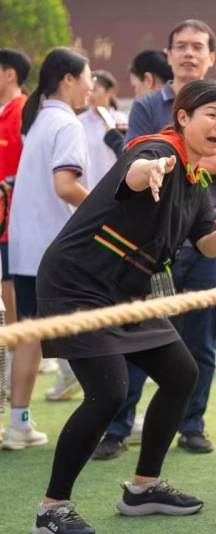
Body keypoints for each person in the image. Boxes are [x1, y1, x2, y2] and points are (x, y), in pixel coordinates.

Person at [32, 79, 216, 534]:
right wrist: (150, 172)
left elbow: (202, 244)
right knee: (108, 392)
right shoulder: (155, 149)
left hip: (132, 290)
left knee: (181, 373)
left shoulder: (196, 177)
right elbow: (136, 174)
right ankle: (50, 510)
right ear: (183, 117)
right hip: (78, 282)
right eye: (213, 114)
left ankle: (143, 489)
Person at [95, 18, 216, 459]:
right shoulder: (147, 105)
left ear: (212, 57)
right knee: (133, 332)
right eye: (181, 47)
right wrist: (171, 159)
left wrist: (196, 154)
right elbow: (134, 156)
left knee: (200, 337)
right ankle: (118, 427)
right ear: (169, 55)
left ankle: (192, 424)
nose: (190, 54)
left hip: (203, 231)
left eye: (198, 47)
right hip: (150, 243)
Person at [4, 47, 92, 451]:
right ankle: (104, 420)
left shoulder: (37, 120)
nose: (91, 86)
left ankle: (18, 422)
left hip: (26, 246)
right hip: (57, 251)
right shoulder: (66, 124)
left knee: (29, 333)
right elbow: (65, 185)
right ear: (69, 79)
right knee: (86, 331)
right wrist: (103, 211)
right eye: (88, 77)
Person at [0, 48, 30, 412]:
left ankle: (11, 390)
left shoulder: (22, 110)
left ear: (9, 74)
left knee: (15, 309)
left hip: (13, 225)